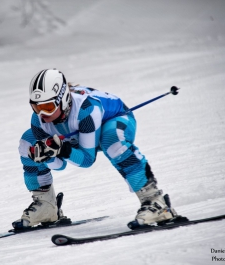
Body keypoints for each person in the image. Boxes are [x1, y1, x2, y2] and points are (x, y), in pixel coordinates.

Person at [12, 69, 178, 229]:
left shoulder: (86, 109)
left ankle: (156, 203)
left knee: (112, 140)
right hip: (76, 134)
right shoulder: (38, 120)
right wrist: (47, 156)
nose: (42, 114)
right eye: (36, 107)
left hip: (115, 120)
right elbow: (60, 165)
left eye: (48, 107)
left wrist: (63, 150)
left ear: (62, 100)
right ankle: (46, 205)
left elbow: (87, 160)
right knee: (27, 143)